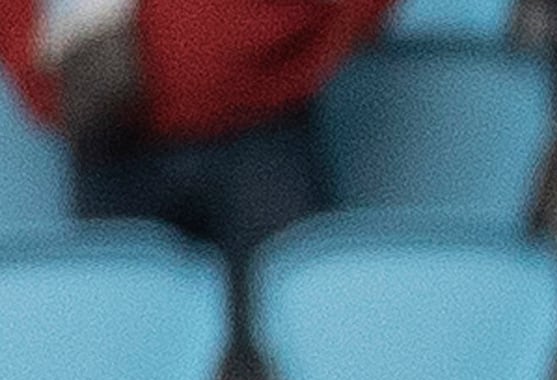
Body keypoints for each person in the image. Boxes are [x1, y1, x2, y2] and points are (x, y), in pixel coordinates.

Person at [0, 0, 377, 261]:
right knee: (121, 345)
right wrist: (51, 89)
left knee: (284, 345)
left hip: (266, 135)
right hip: (109, 145)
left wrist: (301, 59)